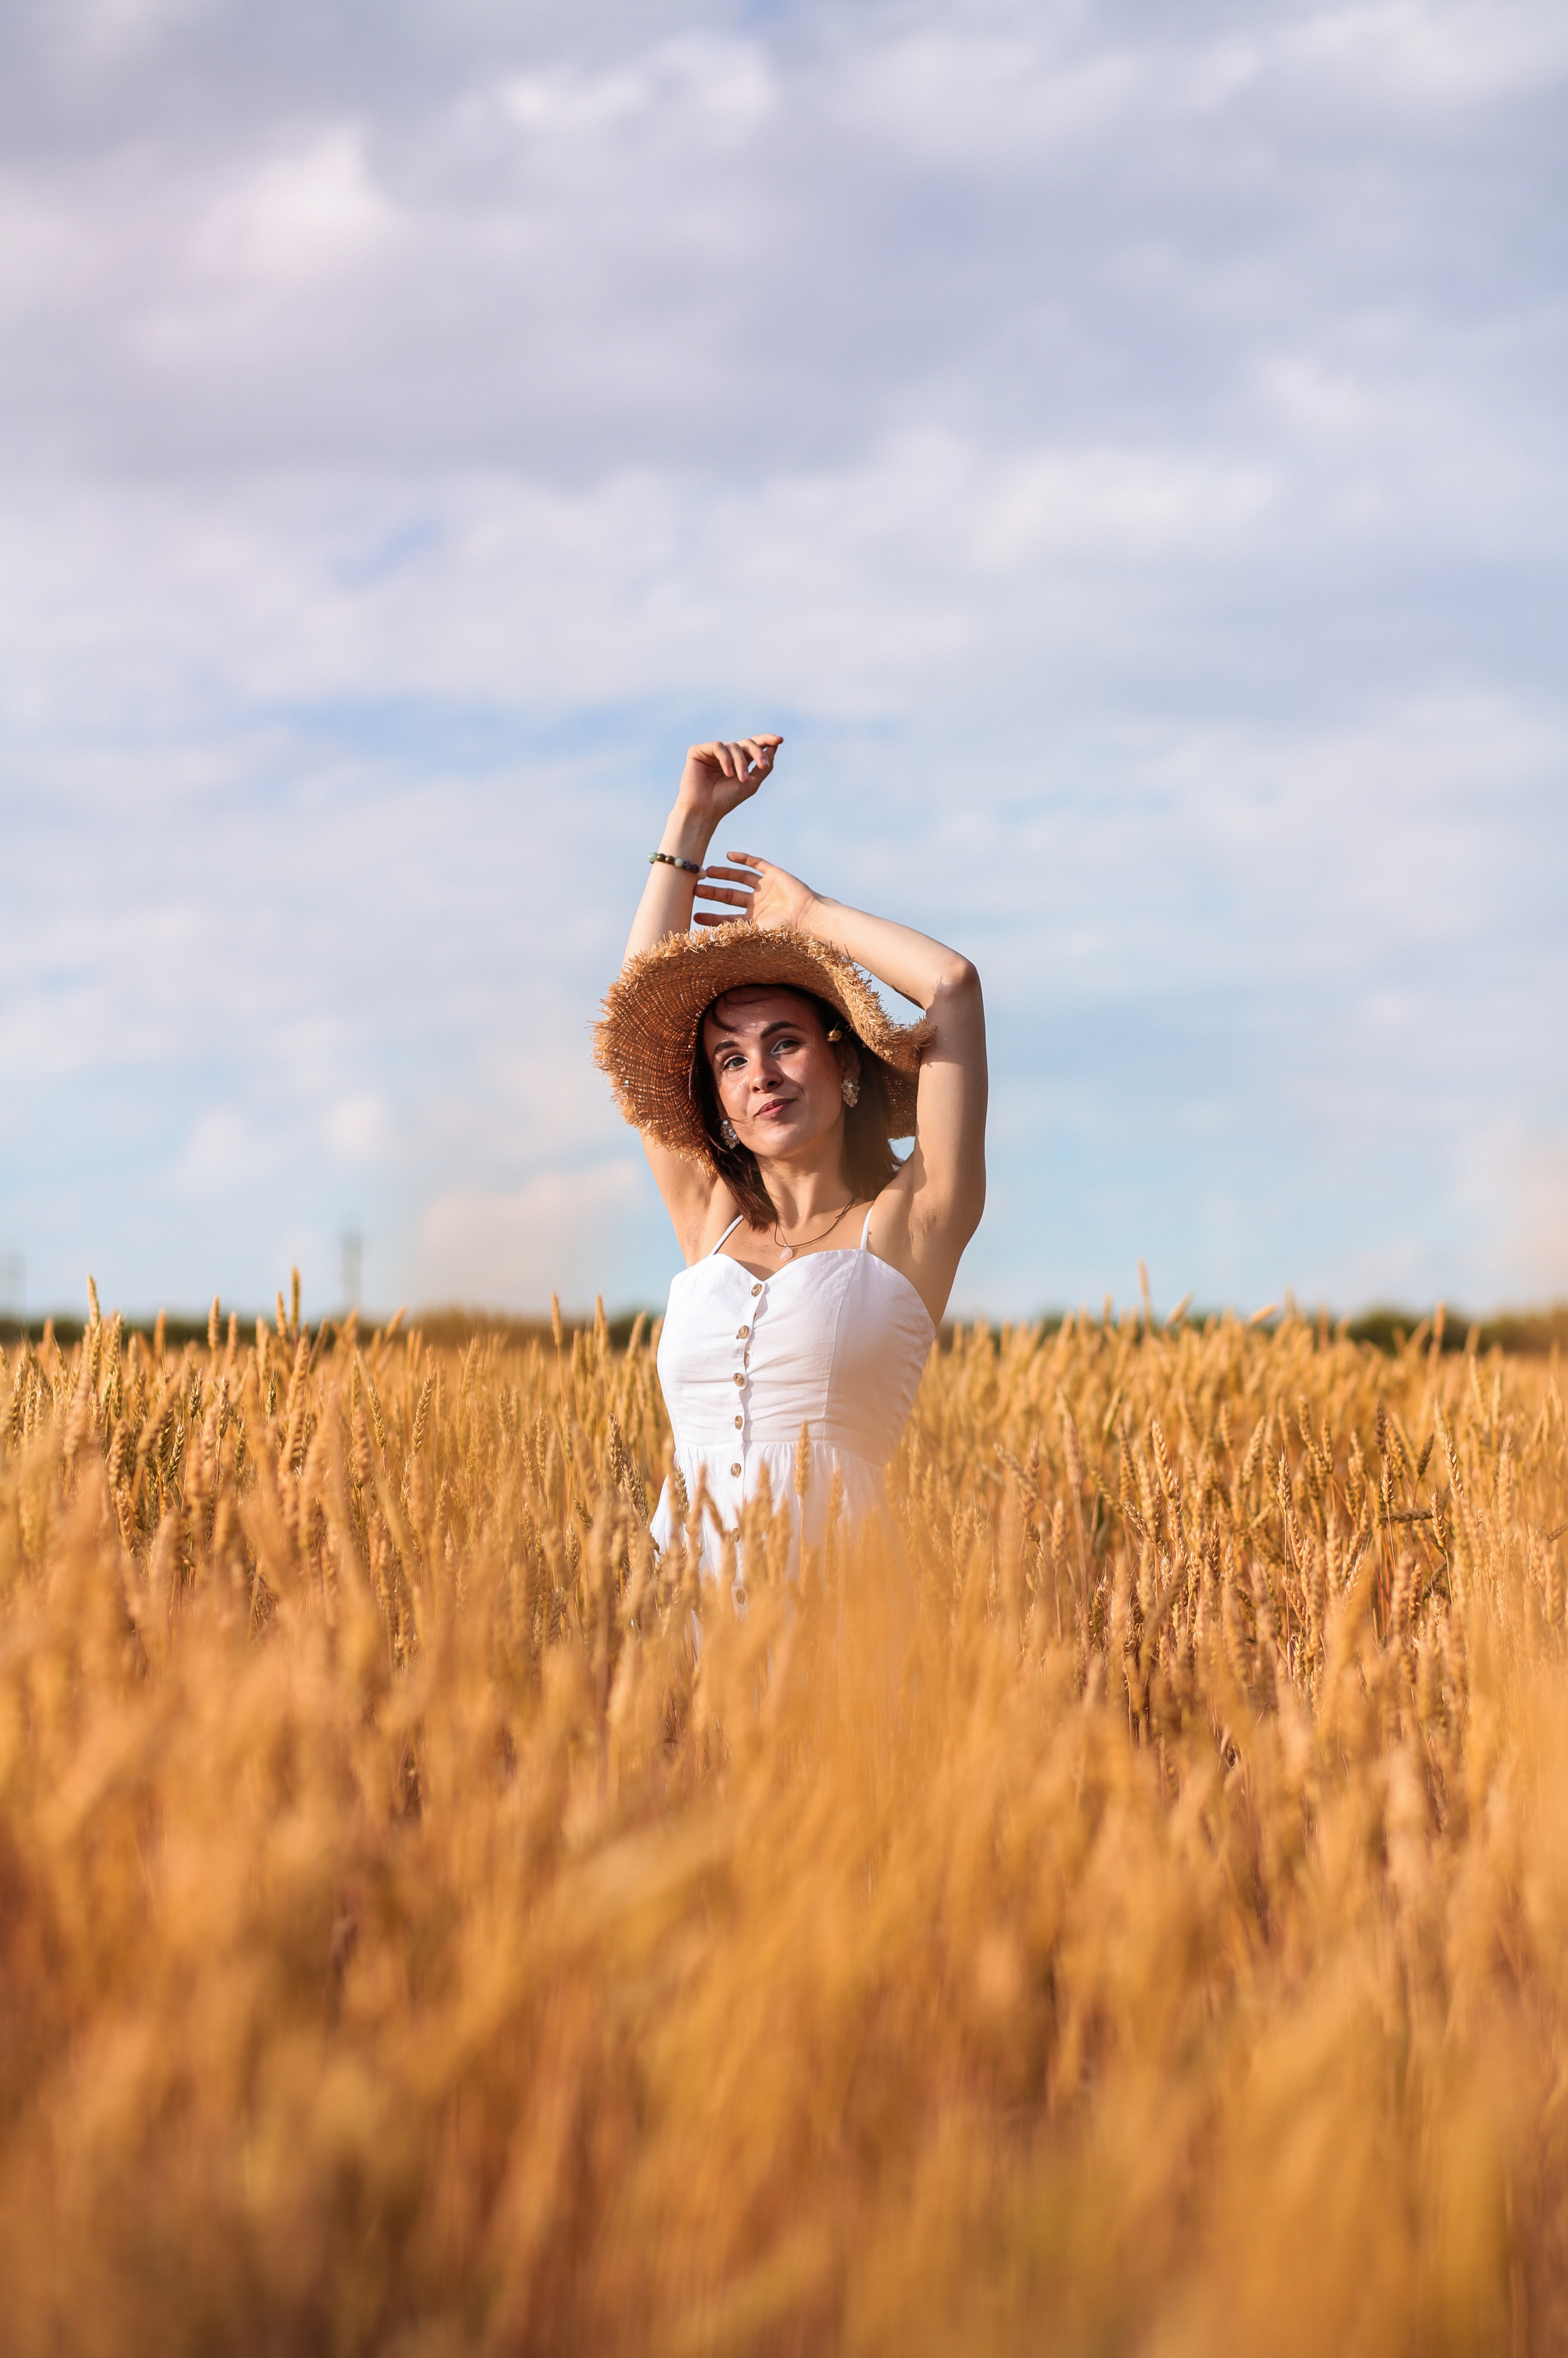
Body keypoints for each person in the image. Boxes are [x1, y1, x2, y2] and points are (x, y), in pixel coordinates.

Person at [595, 733, 987, 1584]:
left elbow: (952, 986)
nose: (760, 1073)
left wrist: (810, 919)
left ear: (844, 1061)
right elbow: (635, 997)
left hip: (836, 1646)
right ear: (721, 1101)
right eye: (731, 1059)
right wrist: (689, 823)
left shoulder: (913, 1224)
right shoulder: (709, 1220)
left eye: (785, 1042)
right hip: (679, 1637)